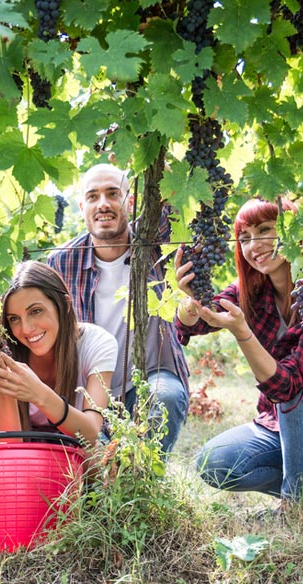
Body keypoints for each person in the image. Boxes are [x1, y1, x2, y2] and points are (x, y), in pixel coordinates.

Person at [174, 197, 303, 505]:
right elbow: (191, 326)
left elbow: (287, 385)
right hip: (286, 428)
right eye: (244, 237)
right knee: (213, 462)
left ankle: (296, 507)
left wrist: (242, 332)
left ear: (294, 234)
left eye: (265, 230)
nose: (254, 244)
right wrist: (191, 301)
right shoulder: (252, 292)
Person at [47, 163, 190, 453]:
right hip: (86, 388)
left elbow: (180, 189)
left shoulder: (155, 243)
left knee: (167, 398)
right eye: (93, 196)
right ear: (81, 206)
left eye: (113, 194)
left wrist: (141, 148)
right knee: (95, 464)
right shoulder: (60, 263)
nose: (103, 204)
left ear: (132, 200)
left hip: (152, 374)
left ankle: (144, 486)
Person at [0, 261, 117, 445]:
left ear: (65, 304)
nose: (26, 329)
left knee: (98, 457)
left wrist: (38, 394)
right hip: (15, 443)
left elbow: (91, 434)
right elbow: (7, 447)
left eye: (36, 311)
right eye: (14, 319)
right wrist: (5, 386)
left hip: (75, 436)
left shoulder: (97, 343)